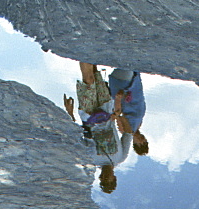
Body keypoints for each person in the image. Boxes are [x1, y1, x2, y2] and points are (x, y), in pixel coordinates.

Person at [63, 63, 149, 193]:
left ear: (100, 178)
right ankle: (89, 53)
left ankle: (84, 53)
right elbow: (128, 133)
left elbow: (75, 136)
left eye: (102, 179)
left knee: (89, 80)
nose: (104, 176)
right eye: (108, 179)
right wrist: (118, 114)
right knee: (96, 74)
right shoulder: (121, 157)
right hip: (107, 109)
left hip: (88, 114)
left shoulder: (90, 159)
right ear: (114, 178)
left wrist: (70, 113)